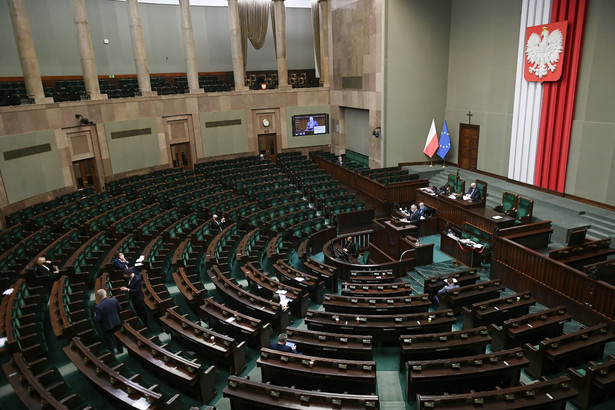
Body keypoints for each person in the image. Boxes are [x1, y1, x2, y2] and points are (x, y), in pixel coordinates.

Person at [93, 289, 123, 354]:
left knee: (109, 341)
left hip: (107, 326)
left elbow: (97, 319)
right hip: (116, 322)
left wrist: (95, 315)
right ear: (106, 293)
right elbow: (119, 309)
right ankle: (121, 350)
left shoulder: (98, 307)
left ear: (98, 297)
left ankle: (113, 353)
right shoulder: (114, 299)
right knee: (119, 338)